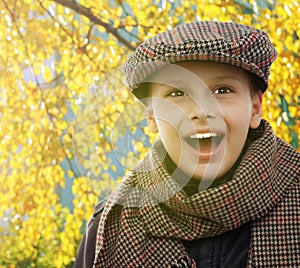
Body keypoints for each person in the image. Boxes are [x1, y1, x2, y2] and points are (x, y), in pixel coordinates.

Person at [74, 21, 300, 268]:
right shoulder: (112, 226)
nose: (202, 111)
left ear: (255, 108)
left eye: (222, 90)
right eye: (177, 94)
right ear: (151, 116)